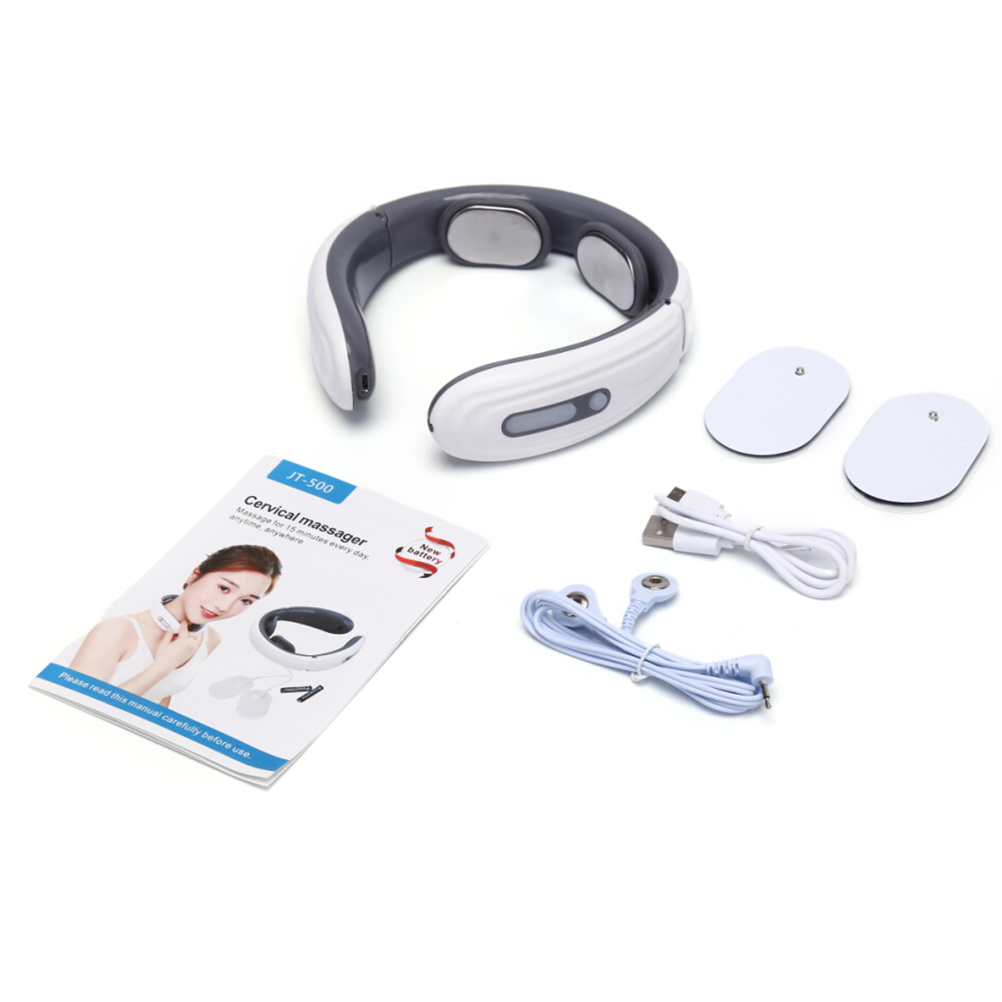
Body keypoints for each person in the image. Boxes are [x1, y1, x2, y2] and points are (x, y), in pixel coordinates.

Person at [68, 544, 282, 707]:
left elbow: (161, 697)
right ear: (195, 575)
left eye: (246, 601)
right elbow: (76, 704)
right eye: (224, 588)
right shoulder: (117, 630)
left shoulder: (209, 639)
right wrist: (163, 667)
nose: (223, 606)